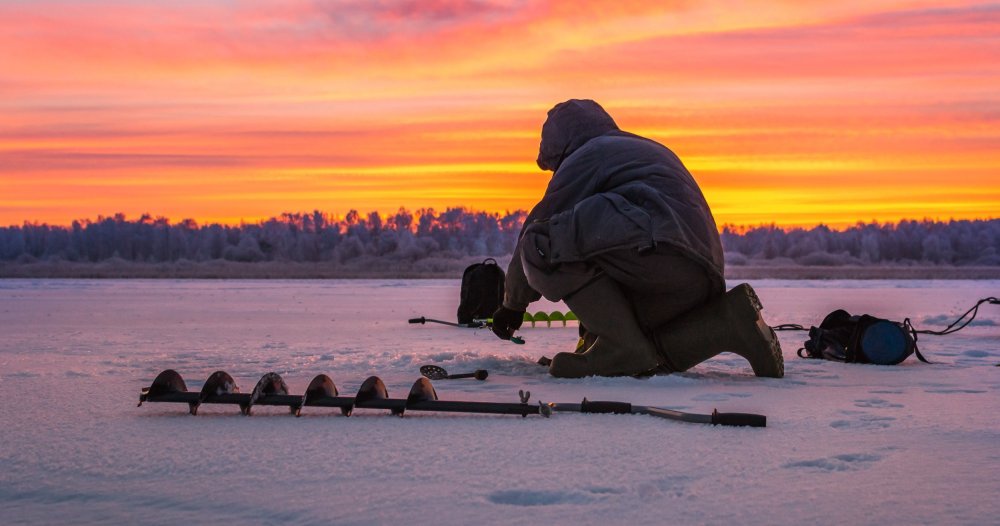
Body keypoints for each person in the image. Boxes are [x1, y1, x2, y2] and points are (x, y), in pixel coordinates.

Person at [489, 99, 784, 378]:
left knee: (542, 242)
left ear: (560, 146)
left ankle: (621, 347)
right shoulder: (642, 149)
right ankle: (729, 321)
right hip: (696, 279)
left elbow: (535, 231)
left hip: (658, 256)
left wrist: (512, 305)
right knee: (649, 354)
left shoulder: (589, 153)